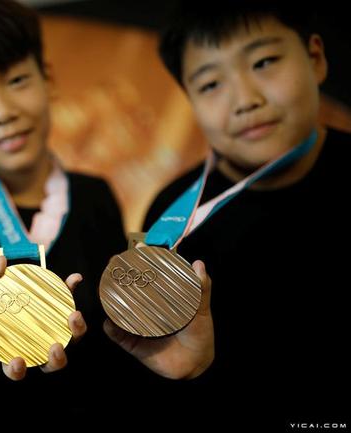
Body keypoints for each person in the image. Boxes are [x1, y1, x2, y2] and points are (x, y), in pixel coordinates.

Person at [0, 0, 214, 413]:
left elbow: (117, 324)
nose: (2, 111)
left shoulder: (94, 194)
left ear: (48, 81)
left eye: (17, 80)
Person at [144, 0, 349, 426]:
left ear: (315, 58)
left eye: (264, 61)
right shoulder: (172, 215)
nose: (245, 100)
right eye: (210, 84)